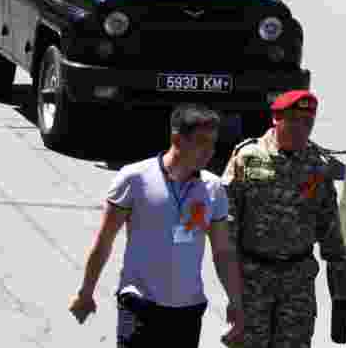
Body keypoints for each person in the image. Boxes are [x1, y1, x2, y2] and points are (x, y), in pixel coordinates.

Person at [69, 104, 244, 348]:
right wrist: (86, 292)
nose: (209, 151)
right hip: (139, 304)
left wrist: (235, 302)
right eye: (201, 142)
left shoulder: (212, 188)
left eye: (213, 143)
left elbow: (222, 251)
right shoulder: (135, 178)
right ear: (177, 139)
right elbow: (104, 241)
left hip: (188, 310)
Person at [221, 90, 346, 348]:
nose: (301, 129)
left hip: (297, 281)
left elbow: (329, 224)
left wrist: (342, 289)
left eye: (307, 123)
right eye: (293, 121)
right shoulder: (248, 157)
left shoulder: (317, 164)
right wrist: (232, 284)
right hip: (253, 279)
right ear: (276, 119)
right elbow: (228, 220)